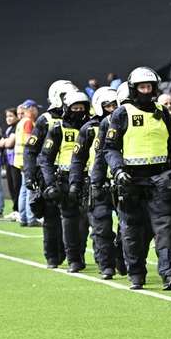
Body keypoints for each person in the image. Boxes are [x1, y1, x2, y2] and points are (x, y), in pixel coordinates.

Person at [104, 67, 171, 290]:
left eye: (150, 87)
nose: (146, 91)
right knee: (132, 230)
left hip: (159, 178)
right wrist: (118, 170)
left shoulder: (163, 112)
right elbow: (110, 148)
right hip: (131, 180)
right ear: (134, 89)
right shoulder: (122, 113)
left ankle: (170, 272)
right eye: (142, 87)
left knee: (165, 228)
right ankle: (136, 272)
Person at [24, 80, 78, 266]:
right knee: (51, 217)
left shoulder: (79, 118)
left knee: (74, 218)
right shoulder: (45, 120)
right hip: (48, 173)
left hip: (72, 173)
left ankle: (70, 254)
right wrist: (30, 175)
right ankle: (52, 256)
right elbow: (31, 150)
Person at [69, 86, 120, 279]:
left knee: (128, 227)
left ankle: (121, 258)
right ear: (99, 107)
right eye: (108, 105)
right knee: (101, 228)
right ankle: (106, 265)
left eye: (115, 104)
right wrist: (75, 182)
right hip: (97, 182)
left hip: (122, 182)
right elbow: (78, 158)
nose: (112, 108)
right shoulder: (89, 129)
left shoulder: (125, 122)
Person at [38, 91, 92, 273]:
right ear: (67, 109)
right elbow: (46, 158)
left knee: (85, 221)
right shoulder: (58, 129)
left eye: (81, 108)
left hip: (88, 178)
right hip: (65, 179)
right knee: (69, 219)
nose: (78, 111)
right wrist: (51, 184)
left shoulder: (92, 127)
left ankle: (82, 254)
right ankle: (73, 259)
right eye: (75, 108)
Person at [13, 100, 39, 226]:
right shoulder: (28, 122)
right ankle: (31, 218)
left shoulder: (21, 122)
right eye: (35, 108)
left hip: (19, 159)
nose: (37, 111)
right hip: (27, 159)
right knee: (30, 188)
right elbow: (30, 140)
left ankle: (23, 217)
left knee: (24, 189)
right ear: (31, 108)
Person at [0, 107, 21, 213]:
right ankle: (15, 209)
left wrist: (6, 141)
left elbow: (8, 144)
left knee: (17, 186)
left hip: (16, 161)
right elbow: (1, 143)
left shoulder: (17, 127)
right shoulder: (8, 129)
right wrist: (6, 141)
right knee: (11, 186)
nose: (8, 118)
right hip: (8, 161)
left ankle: (18, 209)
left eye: (11, 116)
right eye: (7, 116)